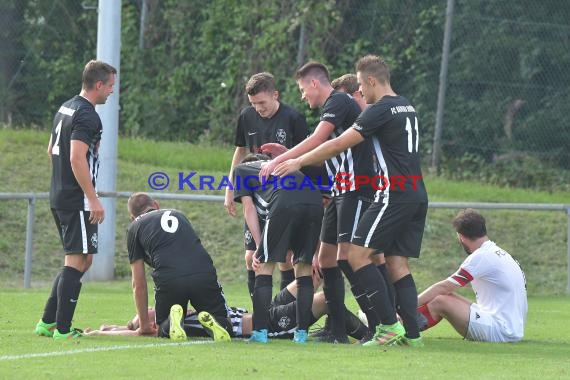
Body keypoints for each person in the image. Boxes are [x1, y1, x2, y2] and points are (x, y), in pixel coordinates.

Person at [273, 55, 429, 347]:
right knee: (397, 264)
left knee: (357, 257)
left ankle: (387, 327)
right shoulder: (407, 105)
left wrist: (296, 161)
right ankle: (413, 334)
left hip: (391, 193)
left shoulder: (379, 109)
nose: (360, 91)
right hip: (417, 192)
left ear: (370, 80)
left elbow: (337, 143)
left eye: (360, 84)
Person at [260, 62, 378, 344]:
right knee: (326, 260)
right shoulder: (333, 110)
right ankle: (336, 330)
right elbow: (322, 154)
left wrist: (281, 160)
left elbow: (318, 139)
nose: (303, 97)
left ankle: (380, 325)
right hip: (339, 191)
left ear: (314, 84)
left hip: (356, 188)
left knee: (352, 259)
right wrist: (288, 154)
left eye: (302, 90)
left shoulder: (338, 100)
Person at [35, 60, 117, 340]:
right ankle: (62, 329)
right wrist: (92, 198)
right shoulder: (87, 115)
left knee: (82, 259)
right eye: (110, 86)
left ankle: (48, 322)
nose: (111, 92)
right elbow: (75, 156)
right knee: (77, 259)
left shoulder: (65, 107)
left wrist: (62, 183)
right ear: (98, 85)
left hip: (59, 194)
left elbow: (50, 150)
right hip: (76, 199)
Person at [224, 72, 309, 297]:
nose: (258, 108)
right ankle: (259, 313)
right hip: (253, 191)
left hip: (282, 195)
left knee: (285, 257)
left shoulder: (293, 118)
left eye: (262, 102)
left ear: (275, 95)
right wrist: (229, 187)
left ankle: (283, 309)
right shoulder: (246, 117)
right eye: (253, 103)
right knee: (251, 255)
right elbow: (240, 151)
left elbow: (307, 156)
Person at [84, 275, 369, 342]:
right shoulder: (172, 325)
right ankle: (368, 335)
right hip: (264, 324)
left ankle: (336, 332)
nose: (148, 310)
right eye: (143, 316)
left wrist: (113, 326)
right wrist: (104, 333)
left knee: (311, 277)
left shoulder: (187, 310)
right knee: (326, 299)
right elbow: (139, 333)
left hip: (262, 309)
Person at [233, 153, 323, 343]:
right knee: (303, 268)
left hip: (285, 200)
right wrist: (313, 253)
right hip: (315, 201)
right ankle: (301, 334)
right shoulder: (275, 165)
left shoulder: (240, 171)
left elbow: (248, 210)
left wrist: (259, 246)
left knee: (264, 266)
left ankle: (260, 332)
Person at [126, 192, 232, 341]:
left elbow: (138, 283)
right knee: (224, 322)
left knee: (162, 329)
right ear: (156, 205)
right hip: (202, 271)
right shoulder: (179, 215)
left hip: (170, 278)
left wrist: (144, 326)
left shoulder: (134, 227)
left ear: (133, 217)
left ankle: (172, 322)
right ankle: (215, 321)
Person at [417, 209, 527, 342]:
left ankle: (399, 329)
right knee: (445, 296)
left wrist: (408, 306)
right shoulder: (499, 253)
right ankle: (400, 324)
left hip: (500, 330)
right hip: (510, 328)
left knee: (440, 301)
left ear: (461, 236)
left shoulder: (482, 256)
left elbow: (444, 287)